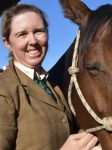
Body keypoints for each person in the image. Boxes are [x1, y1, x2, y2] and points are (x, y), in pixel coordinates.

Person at [0, 4, 102, 150]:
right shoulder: (4, 89)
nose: (33, 41)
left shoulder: (50, 84)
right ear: (7, 43)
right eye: (22, 34)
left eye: (39, 31)